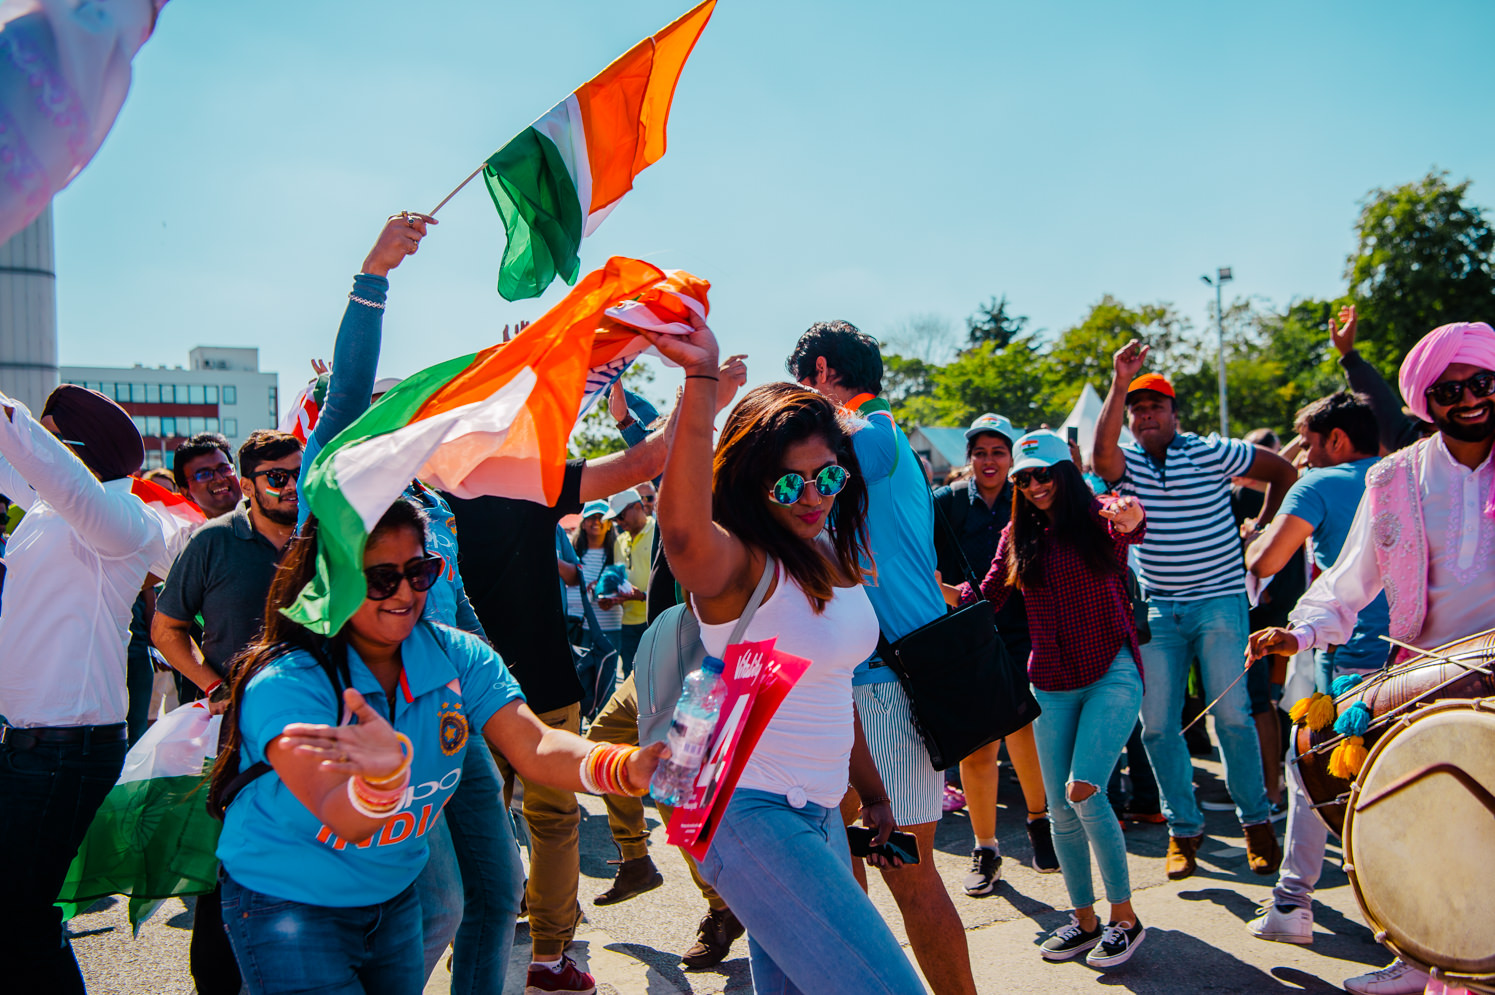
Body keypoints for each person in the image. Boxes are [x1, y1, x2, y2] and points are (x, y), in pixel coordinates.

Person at [208, 497, 666, 995]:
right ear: (332, 580)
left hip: (394, 896)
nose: (405, 592)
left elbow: (535, 747)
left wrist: (628, 767)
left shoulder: (458, 653)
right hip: (289, 903)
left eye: (420, 571)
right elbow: (344, 815)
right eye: (382, 577)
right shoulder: (289, 682)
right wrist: (381, 781)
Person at [642, 309, 926, 995]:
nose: (810, 497)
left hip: (822, 807)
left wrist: (873, 789)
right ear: (746, 480)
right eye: (785, 481)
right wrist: (701, 381)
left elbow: (831, 682)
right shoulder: (736, 562)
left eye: (826, 479)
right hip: (745, 807)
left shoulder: (831, 550)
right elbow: (679, 532)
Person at [296, 211, 514, 994]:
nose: (400, 421)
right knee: (440, 906)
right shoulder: (334, 484)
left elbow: (452, 607)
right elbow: (348, 390)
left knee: (497, 893)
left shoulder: (430, 507)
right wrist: (374, 274)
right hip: (378, 716)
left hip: (456, 711)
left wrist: (496, 696)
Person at [1247, 319, 1495, 995]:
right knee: (1420, 816)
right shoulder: (1395, 478)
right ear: (1426, 400)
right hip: (1424, 681)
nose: (1467, 397)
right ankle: (1423, 956)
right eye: (1449, 388)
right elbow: (1347, 580)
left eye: (1480, 381)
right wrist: (1298, 633)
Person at [448, 416, 679, 993]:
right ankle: (549, 961)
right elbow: (642, 463)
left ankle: (474, 939)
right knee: (552, 822)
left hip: (458, 687)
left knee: (469, 825)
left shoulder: (424, 492)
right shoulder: (531, 482)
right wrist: (692, 389)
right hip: (542, 681)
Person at [788, 320, 975, 995]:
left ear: (820, 370)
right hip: (851, 685)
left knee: (906, 867)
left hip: (888, 692)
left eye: (798, 385)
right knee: (839, 867)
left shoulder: (868, 436)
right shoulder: (875, 441)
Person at [1092, 341, 1297, 880]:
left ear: (1175, 414)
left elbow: (1282, 470)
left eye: (1155, 405)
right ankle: (1184, 830)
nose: (1145, 414)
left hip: (1220, 602)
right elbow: (1100, 458)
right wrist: (1119, 381)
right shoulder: (1126, 464)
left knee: (1231, 716)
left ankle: (1256, 822)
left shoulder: (1211, 451)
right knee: (1156, 726)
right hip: (1159, 606)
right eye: (1137, 408)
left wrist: (1264, 528)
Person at [945, 430, 1149, 968]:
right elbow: (985, 595)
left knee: (1084, 791)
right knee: (1058, 807)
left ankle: (1124, 918)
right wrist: (923, 588)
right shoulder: (1018, 534)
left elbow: (1129, 521)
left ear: (1066, 473)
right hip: (1052, 681)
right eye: (1025, 477)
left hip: (1112, 671)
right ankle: (1084, 922)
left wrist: (1130, 515)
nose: (1035, 484)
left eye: (1044, 473)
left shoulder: (1098, 517)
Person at [0, 384, 175, 992]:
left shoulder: (121, 518)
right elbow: (25, 466)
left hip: (63, 753)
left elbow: (55, 473)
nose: (41, 448)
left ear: (80, 446)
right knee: (20, 918)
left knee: (22, 918)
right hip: (31, 748)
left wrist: (12, 417)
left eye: (53, 435)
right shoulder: (54, 510)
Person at [152, 428, 302, 995]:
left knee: (310, 875)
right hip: (236, 747)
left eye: (297, 472)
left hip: (317, 741)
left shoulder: (325, 539)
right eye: (275, 477)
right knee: (228, 880)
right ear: (247, 485)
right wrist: (214, 685)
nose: (290, 487)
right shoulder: (211, 542)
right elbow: (168, 628)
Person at [1243, 391, 1390, 951]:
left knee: (1311, 771)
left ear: (1336, 439)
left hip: (1351, 654)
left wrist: (1261, 523)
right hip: (1428, 653)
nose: (1302, 454)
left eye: (1307, 442)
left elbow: (1266, 562)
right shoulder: (1406, 474)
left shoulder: (1319, 484)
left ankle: (1292, 902)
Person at [932, 413, 1057, 890]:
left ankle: (1039, 822)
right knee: (978, 743)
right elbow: (926, 563)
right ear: (970, 457)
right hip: (965, 631)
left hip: (1023, 630)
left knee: (1023, 729)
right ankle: (985, 849)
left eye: (998, 452)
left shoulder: (1028, 497)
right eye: (980, 452)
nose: (989, 461)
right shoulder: (944, 503)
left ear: (1012, 457)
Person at [1229, 427, 1305, 817]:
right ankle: (1265, 788)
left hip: (1275, 613)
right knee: (1262, 702)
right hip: (1257, 611)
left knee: (1269, 702)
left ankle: (1272, 791)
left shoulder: (1292, 495)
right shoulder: (1247, 496)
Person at [602, 488, 653, 676]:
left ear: (638, 506)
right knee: (631, 677)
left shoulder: (659, 533)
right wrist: (612, 597)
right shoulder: (619, 541)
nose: (619, 522)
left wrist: (644, 596)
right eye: (615, 519)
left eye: (621, 516)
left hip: (653, 620)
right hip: (627, 623)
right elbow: (620, 579)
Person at [173, 432, 244, 518]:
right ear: (187, 493)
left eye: (224, 469)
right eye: (204, 475)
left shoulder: (264, 519)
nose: (219, 479)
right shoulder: (194, 531)